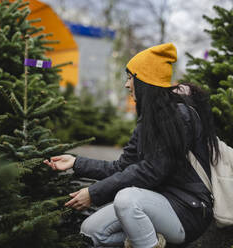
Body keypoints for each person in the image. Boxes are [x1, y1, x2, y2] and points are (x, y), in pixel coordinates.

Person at [44, 43, 220, 248]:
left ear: (145, 81)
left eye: (130, 77)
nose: (127, 85)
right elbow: (121, 167)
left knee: (127, 199)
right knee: (91, 231)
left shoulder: (178, 117)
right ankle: (150, 241)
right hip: (158, 202)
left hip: (189, 210)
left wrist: (94, 193)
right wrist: (76, 162)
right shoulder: (148, 120)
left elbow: (151, 171)